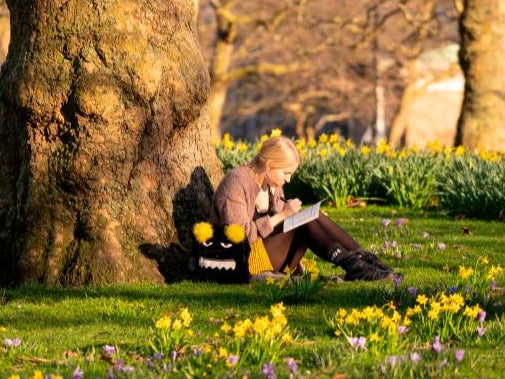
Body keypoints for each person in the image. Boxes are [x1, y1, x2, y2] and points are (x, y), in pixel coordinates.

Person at [211, 135, 401, 282]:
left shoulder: (272, 185)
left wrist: (298, 214)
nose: (288, 179)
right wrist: (284, 215)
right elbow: (238, 235)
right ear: (269, 165)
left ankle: (368, 261)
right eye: (286, 173)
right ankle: (355, 267)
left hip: (271, 254)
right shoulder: (237, 182)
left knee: (313, 215)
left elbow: (280, 220)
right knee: (305, 220)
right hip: (246, 260)